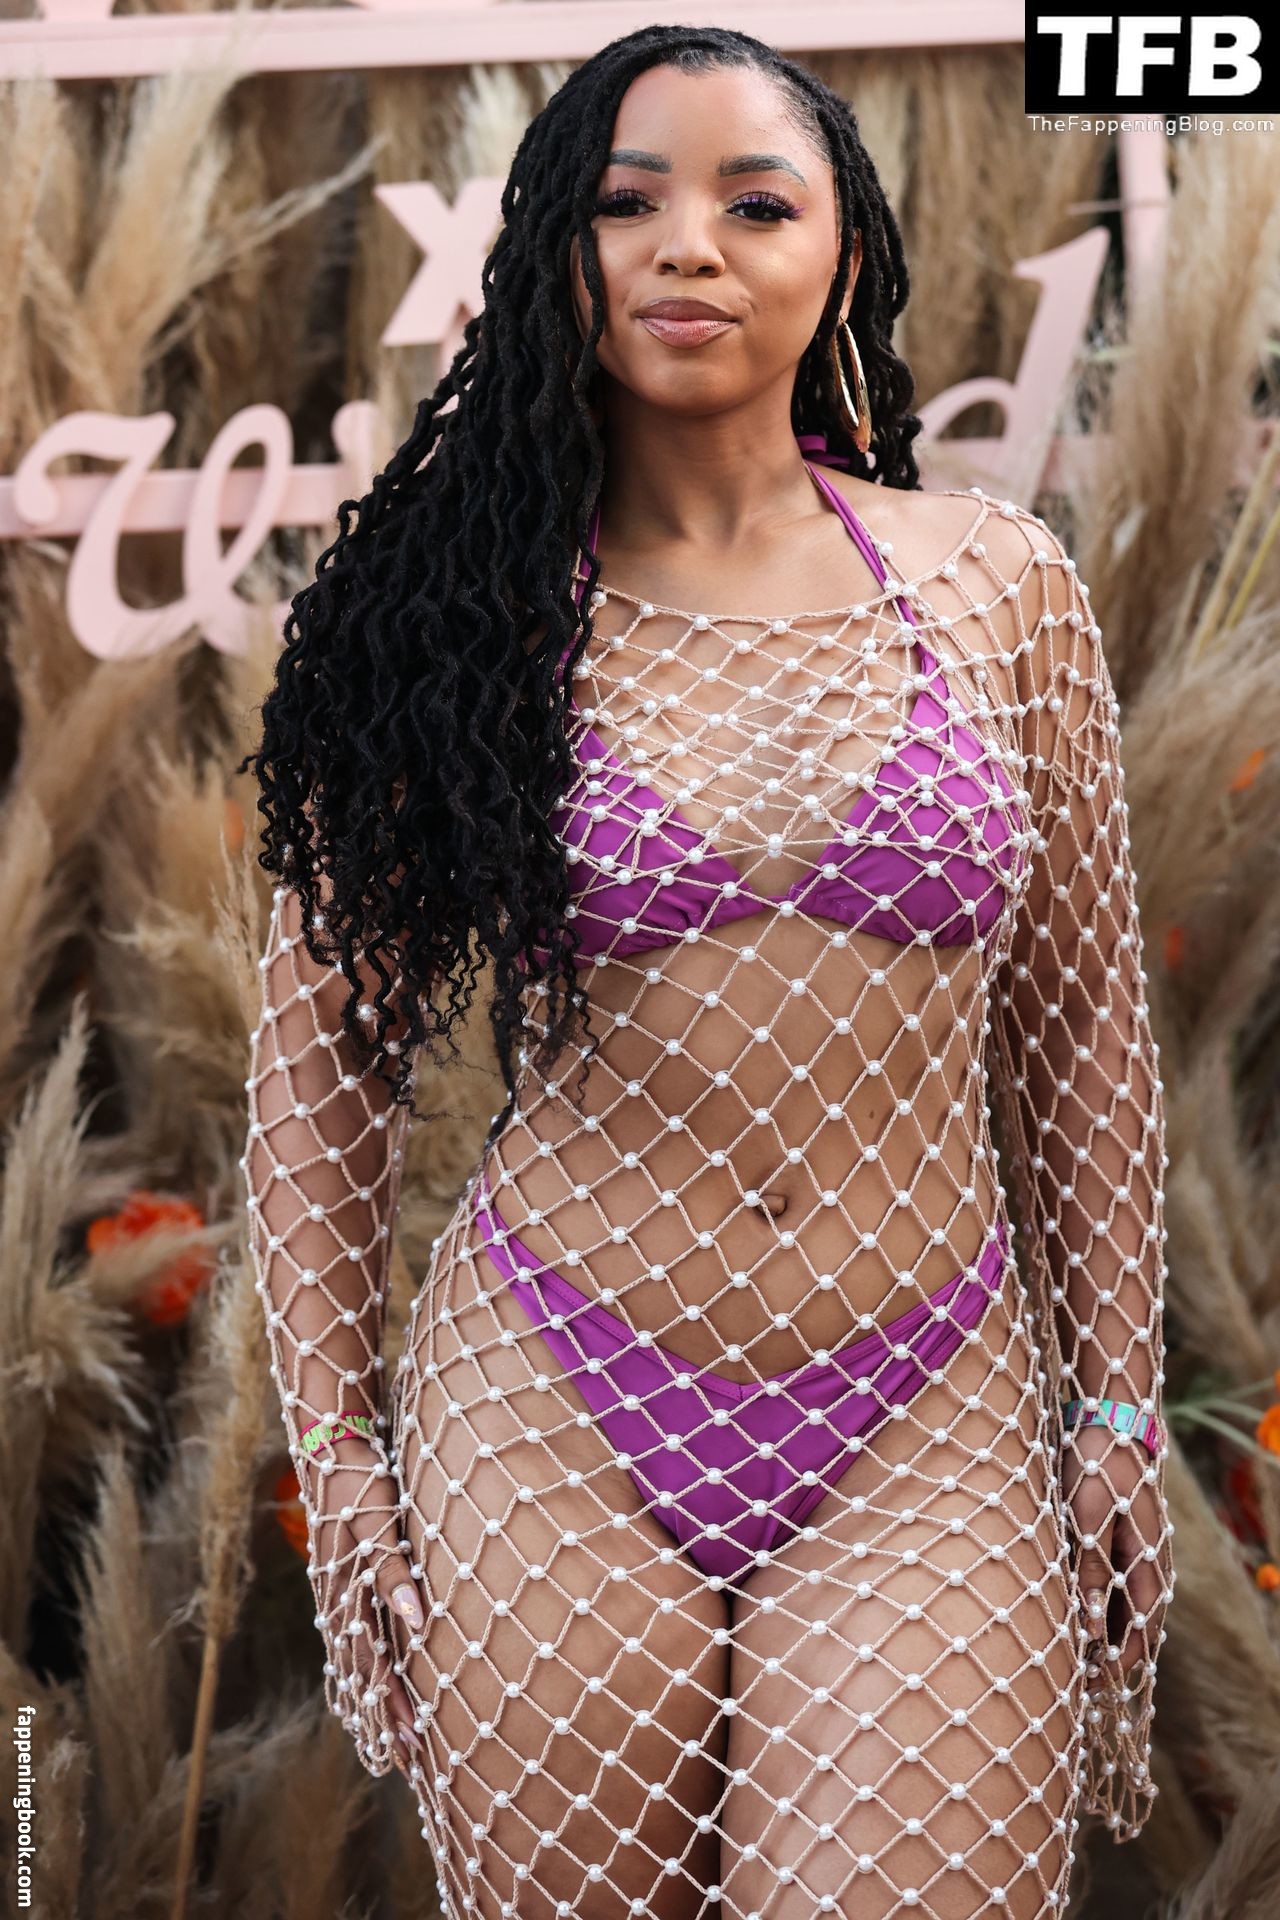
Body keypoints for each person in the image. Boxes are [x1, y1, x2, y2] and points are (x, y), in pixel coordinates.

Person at [239, 24, 1175, 1918]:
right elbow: (322, 1059)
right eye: (627, 201)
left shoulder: (997, 586)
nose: (689, 244)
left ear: (845, 250)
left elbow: (1080, 1024)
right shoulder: (459, 614)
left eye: (757, 202)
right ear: (554, 252)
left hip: (927, 1401)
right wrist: (337, 1459)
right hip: (553, 1399)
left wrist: (1115, 1406)